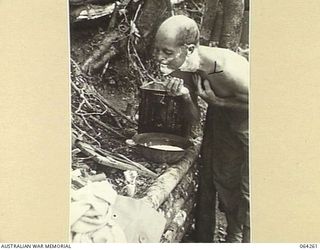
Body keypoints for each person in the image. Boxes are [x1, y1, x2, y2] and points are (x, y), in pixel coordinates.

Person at [153, 15, 249, 242]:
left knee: (250, 189)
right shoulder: (182, 67)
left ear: (190, 48)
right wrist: (185, 97)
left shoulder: (219, 67)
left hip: (251, 118)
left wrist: (219, 102)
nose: (159, 58)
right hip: (224, 115)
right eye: (157, 50)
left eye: (167, 52)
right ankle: (232, 237)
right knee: (225, 179)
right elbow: (194, 121)